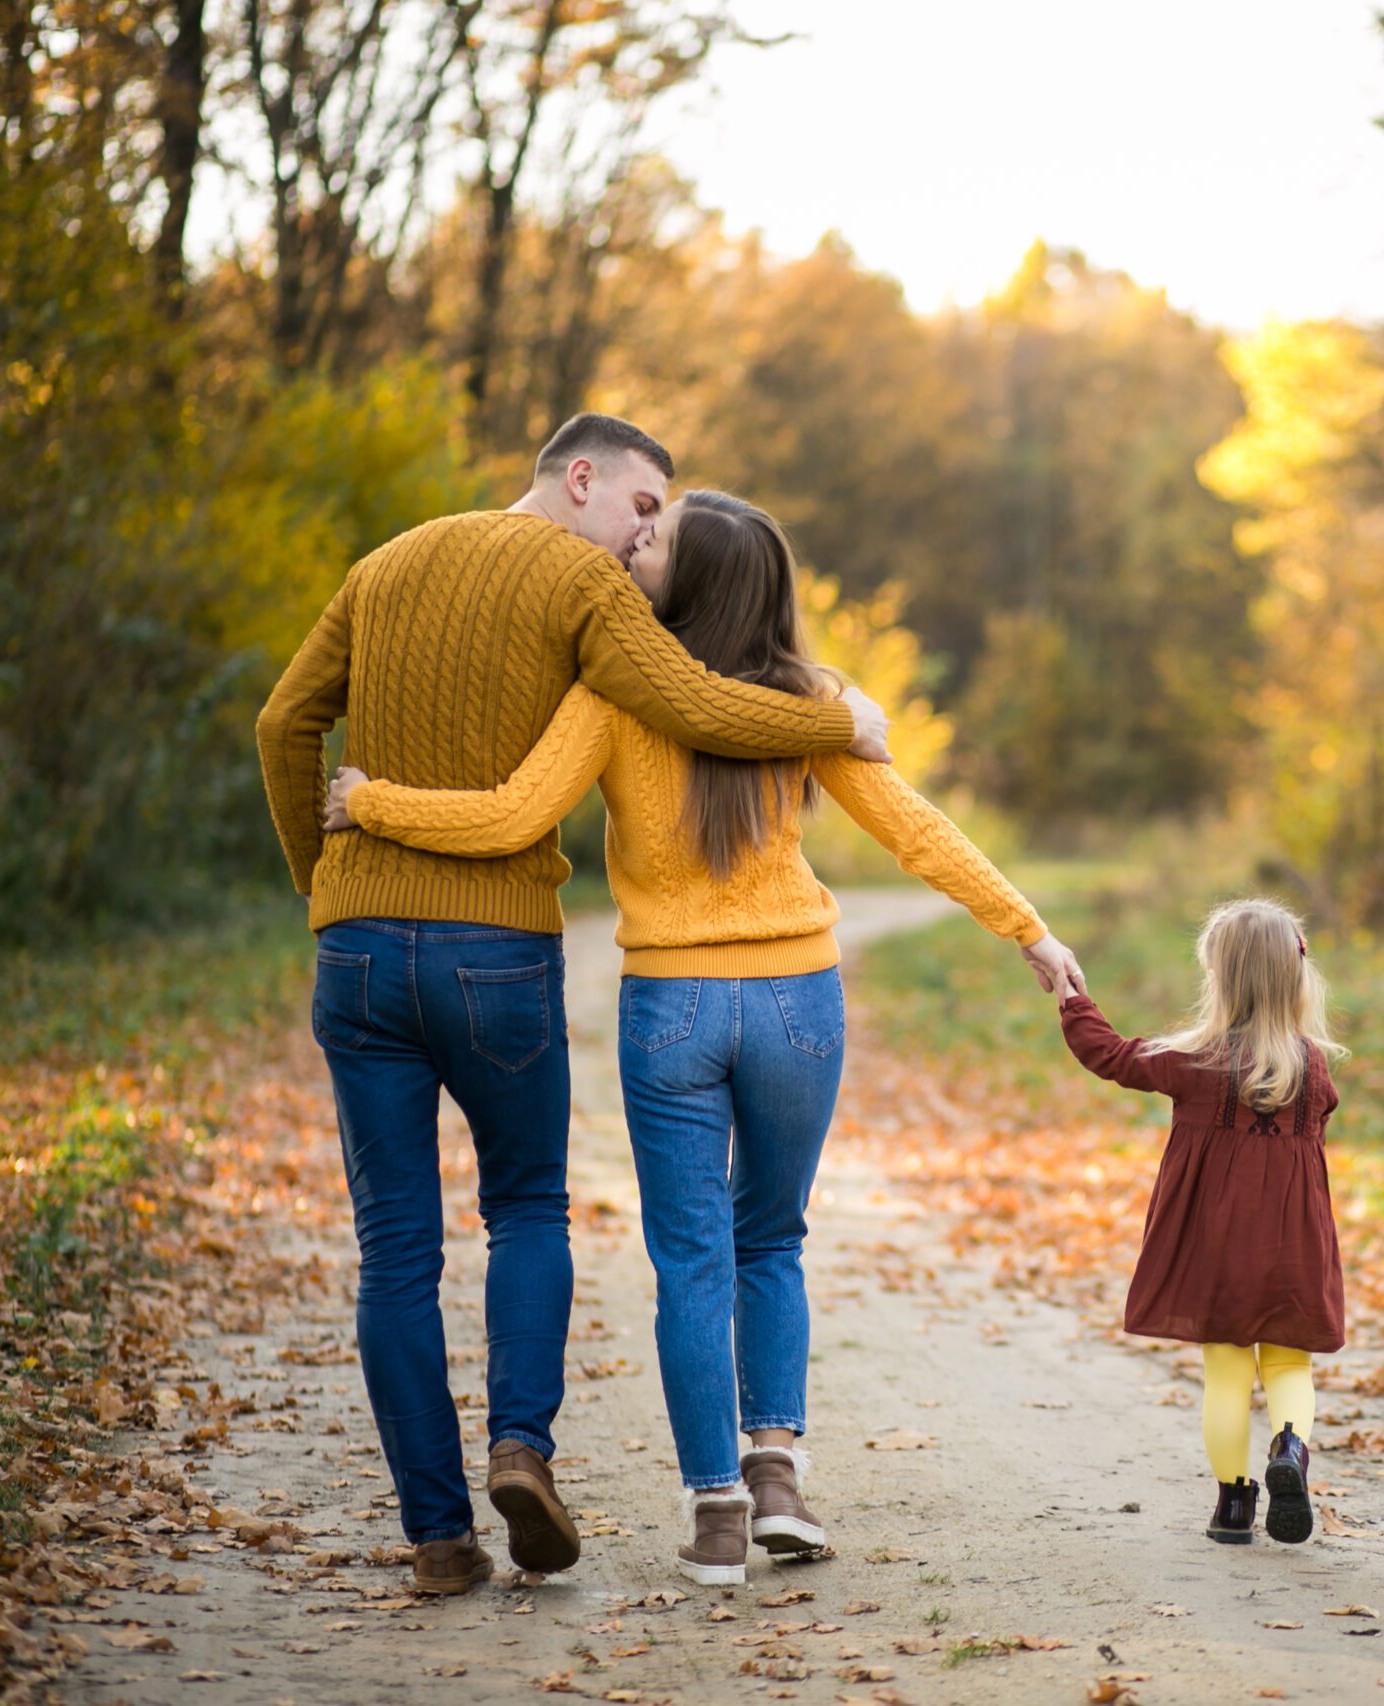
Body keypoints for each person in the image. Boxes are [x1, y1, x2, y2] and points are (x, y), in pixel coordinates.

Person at [322, 489, 1085, 1584]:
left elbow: (508, 817)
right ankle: (777, 1475)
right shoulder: (809, 702)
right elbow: (914, 825)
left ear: (696, 580)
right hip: (796, 1003)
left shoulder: (615, 697)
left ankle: (717, 1514)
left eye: (657, 537)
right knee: (770, 1239)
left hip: (672, 1006)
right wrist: (1029, 928)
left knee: (693, 1262)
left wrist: (371, 800)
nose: (636, 541)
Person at [254, 416, 895, 1597]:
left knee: (393, 1250)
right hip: (495, 949)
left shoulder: (381, 565)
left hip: (355, 948)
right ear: (582, 477)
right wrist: (837, 720)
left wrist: (320, 884)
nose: (648, 534)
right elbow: (702, 706)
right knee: (527, 1208)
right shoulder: (578, 581)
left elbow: (283, 721)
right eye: (644, 506)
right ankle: (521, 1448)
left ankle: (439, 1537)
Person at [1053, 899, 1347, 1545]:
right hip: (1293, 1249)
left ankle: (1234, 1506)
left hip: (1218, 1248)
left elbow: (1112, 1056)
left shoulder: (1197, 1061)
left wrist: (1074, 999)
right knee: (1289, 1367)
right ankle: (1291, 1451)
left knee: (1227, 1373)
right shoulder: (1315, 1068)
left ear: (1219, 979)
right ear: (1296, 979)